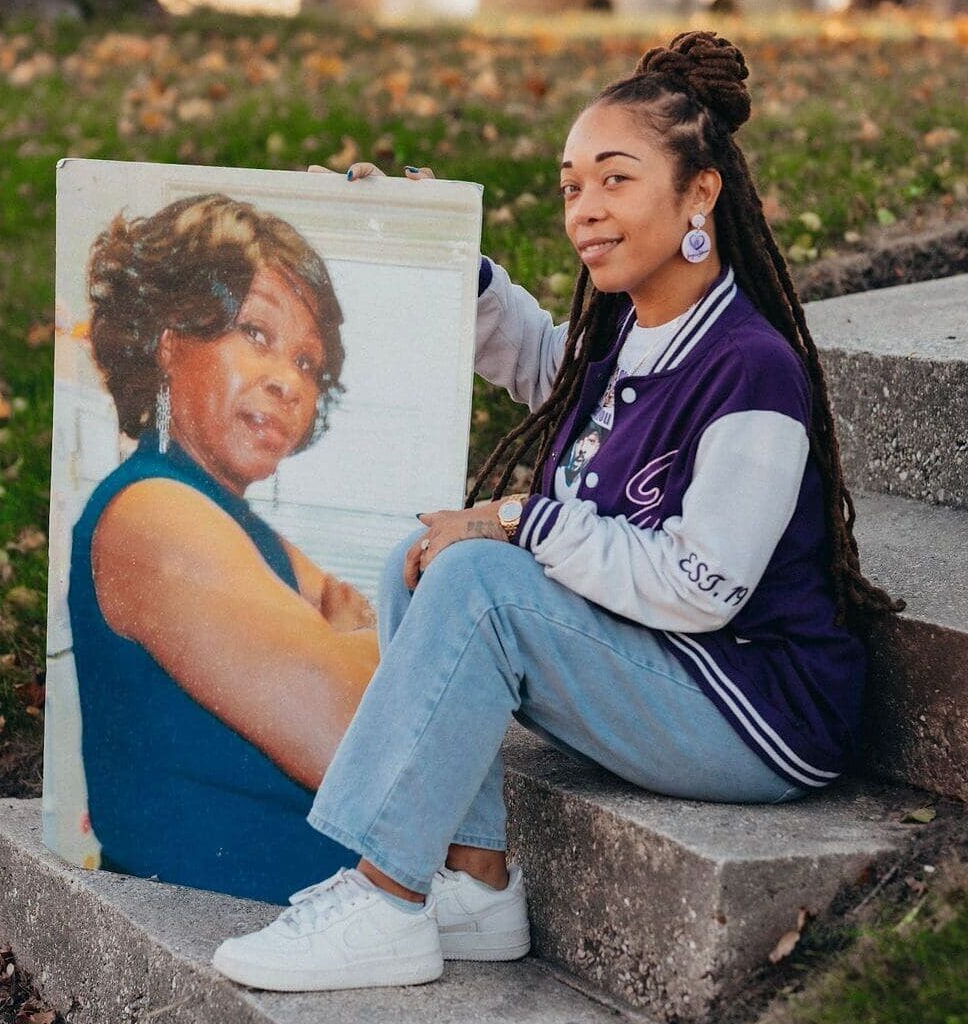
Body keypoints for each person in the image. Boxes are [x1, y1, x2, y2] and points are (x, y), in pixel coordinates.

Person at [211, 31, 904, 991]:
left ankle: (383, 898)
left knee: (482, 582)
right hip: (671, 664)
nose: (586, 210)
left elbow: (702, 587)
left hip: (753, 709)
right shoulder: (634, 327)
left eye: (616, 181)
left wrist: (516, 518)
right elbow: (558, 378)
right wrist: (460, 265)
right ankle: (479, 885)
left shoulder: (752, 369)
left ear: (700, 194)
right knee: (419, 562)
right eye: (573, 185)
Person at [67, 193, 379, 903]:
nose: (288, 381)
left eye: (307, 361)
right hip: (217, 921)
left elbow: (368, 655)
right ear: (169, 340)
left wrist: (354, 643)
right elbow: (355, 735)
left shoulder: (240, 525)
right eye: (257, 335)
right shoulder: (154, 510)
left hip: (289, 908)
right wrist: (357, 641)